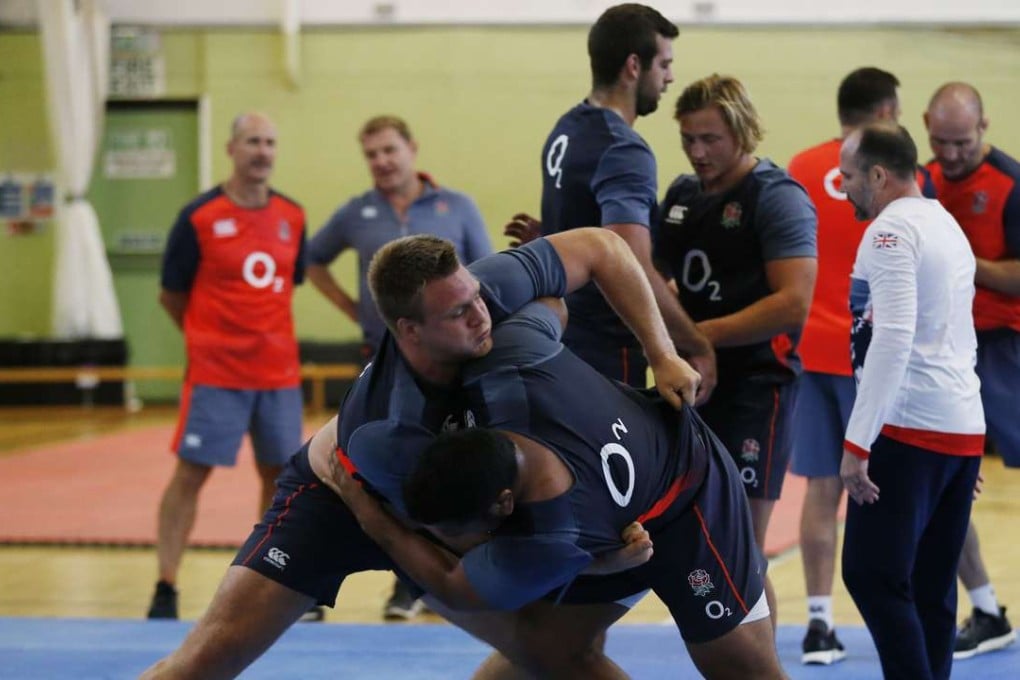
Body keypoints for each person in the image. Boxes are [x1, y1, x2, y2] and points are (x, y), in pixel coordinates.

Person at [140, 228, 703, 679]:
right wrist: (593, 555)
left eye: (477, 299)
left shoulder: (474, 295)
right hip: (340, 499)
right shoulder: (391, 428)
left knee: (557, 653)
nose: (480, 314)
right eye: (458, 314)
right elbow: (455, 552)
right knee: (204, 665)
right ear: (408, 330)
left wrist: (665, 353)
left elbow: (602, 251)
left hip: (447, 507)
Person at [327, 253, 786, 679]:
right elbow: (554, 304)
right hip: (613, 509)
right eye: (456, 312)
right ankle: (746, 576)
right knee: (544, 652)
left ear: (504, 507)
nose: (479, 315)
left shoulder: (548, 535)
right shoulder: (508, 355)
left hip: (688, 494)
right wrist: (602, 563)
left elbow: (453, 585)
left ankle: (742, 572)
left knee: (743, 671)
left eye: (458, 533)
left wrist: (370, 516)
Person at [305, 114, 492, 619]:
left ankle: (415, 584)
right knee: (366, 469)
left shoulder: (457, 207)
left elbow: (483, 276)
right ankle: (320, 581)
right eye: (371, 154)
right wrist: (352, 308)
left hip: (444, 368)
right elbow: (312, 259)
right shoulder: (356, 212)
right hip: (379, 363)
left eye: (390, 150)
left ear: (412, 148)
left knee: (432, 474)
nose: (382, 162)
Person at [653, 73, 817, 629]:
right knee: (693, 537)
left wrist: (705, 339)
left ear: (742, 131)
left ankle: (759, 663)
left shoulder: (776, 197)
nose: (698, 152)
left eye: (711, 140)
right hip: (694, 383)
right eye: (688, 140)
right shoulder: (681, 196)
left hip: (756, 388)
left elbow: (794, 303)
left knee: (743, 546)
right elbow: (643, 276)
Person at [506, 2, 716, 396]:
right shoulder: (623, 149)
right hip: (607, 349)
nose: (670, 77)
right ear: (634, 66)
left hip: (560, 336)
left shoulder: (566, 129)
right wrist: (688, 344)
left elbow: (580, 228)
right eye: (665, 64)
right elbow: (628, 260)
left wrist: (552, 235)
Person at [145, 113, 307, 621]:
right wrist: (207, 339)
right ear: (231, 148)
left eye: (270, 142)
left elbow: (288, 284)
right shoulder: (198, 217)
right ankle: (166, 585)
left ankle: (268, 583)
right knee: (192, 473)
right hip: (217, 374)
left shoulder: (293, 216)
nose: (262, 151)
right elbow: (172, 295)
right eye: (252, 141)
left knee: (281, 477)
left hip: (279, 373)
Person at [839, 123, 985, 680]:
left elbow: (893, 336)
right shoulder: (947, 226)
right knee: (930, 582)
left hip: (909, 427)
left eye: (850, 178)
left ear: (878, 175)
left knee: (872, 575)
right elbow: (962, 338)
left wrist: (858, 440)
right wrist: (969, 440)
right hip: (956, 426)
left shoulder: (888, 232)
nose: (847, 189)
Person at [785, 66, 902, 664]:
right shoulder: (895, 176)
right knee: (904, 485)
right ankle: (946, 605)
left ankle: (818, 622)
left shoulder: (799, 169)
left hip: (811, 352)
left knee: (820, 489)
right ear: (884, 112)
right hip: (873, 355)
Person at [923, 81, 1020, 660]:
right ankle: (985, 607)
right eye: (941, 141)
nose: (952, 153)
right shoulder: (922, 181)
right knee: (943, 480)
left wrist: (964, 258)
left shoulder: (1010, 184)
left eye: (962, 142)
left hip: (1006, 345)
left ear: (983, 128)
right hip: (946, 349)